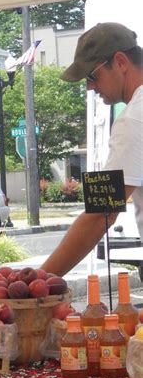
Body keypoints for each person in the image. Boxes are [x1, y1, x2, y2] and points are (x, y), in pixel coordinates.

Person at [41, 22, 143, 276]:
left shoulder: (134, 119)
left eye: (91, 76)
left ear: (120, 62)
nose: (89, 87)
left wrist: (40, 281)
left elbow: (102, 214)